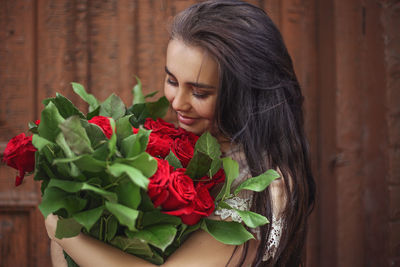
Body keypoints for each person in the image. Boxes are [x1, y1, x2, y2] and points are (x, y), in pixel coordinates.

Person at [45, 1, 316, 266]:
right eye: (172, 81)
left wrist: (67, 235)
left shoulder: (266, 185)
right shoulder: (186, 145)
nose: (177, 103)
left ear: (246, 94)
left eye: (200, 92)